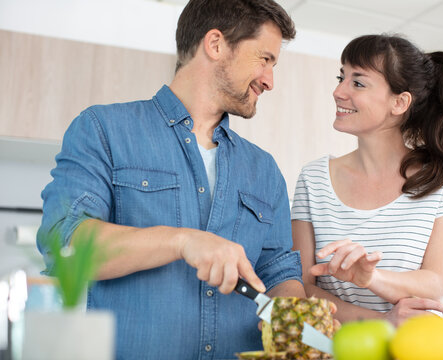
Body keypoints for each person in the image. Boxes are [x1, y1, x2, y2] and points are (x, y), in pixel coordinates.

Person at [37, 0, 306, 358]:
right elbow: (66, 247)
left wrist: (298, 316)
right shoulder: (104, 130)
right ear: (215, 44)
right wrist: (181, 241)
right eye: (265, 59)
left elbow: (278, 272)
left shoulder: (264, 169)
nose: (270, 81)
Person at [291, 34, 443, 326]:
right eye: (342, 77)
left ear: (399, 102)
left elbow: (434, 281)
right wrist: (382, 321)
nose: (338, 91)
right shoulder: (313, 179)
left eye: (357, 82)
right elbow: (301, 285)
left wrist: (370, 277)